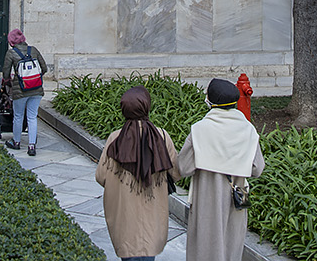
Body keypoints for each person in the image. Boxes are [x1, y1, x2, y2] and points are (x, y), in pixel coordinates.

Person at [176, 78, 264, 261]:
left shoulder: (200, 130)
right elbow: (257, 169)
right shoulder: (248, 130)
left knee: (205, 248)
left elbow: (183, 168)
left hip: (206, 199)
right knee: (232, 245)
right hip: (237, 198)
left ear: (210, 102)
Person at [95, 86, 178, 261]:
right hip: (153, 213)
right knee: (148, 251)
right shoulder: (162, 136)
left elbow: (101, 176)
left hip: (124, 215)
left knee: (129, 251)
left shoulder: (115, 139)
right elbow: (176, 173)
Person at [1, 28, 47, 155]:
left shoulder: (11, 53)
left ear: (11, 41)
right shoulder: (33, 50)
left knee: (18, 116)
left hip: (20, 90)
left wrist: (12, 80)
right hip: (36, 89)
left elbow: (5, 73)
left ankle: (16, 142)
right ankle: (32, 146)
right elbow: (44, 68)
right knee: (32, 116)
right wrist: (33, 79)